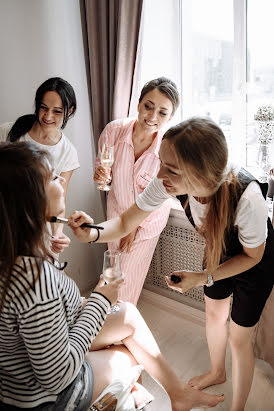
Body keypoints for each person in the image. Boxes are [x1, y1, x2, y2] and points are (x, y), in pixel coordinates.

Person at [0, 141, 224, 411]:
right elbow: (56, 377)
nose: (61, 179)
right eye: (52, 176)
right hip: (43, 397)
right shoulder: (34, 278)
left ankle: (178, 395)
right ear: (29, 200)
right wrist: (99, 299)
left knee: (128, 313)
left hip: (29, 363)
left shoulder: (15, 250)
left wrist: (64, 241)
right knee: (129, 358)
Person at [69, 117, 274, 411]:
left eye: (171, 168)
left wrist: (203, 277)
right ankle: (217, 371)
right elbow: (127, 220)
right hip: (218, 252)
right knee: (214, 315)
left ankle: (237, 407)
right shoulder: (169, 182)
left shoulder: (248, 197)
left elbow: (252, 256)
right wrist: (92, 233)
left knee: (240, 338)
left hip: (255, 262)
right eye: (161, 162)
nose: (159, 172)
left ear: (199, 174)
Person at [93, 77, 179, 304]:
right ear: (138, 104)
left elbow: (159, 196)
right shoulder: (114, 131)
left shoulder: (167, 149)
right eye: (148, 106)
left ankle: (121, 326)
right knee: (114, 268)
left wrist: (133, 225)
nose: (152, 117)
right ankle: (106, 318)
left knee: (126, 280)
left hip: (147, 223)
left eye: (162, 112)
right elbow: (104, 172)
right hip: (116, 212)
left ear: (170, 118)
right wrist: (101, 175)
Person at [0, 77, 80, 254]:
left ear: (70, 111)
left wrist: (57, 234)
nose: (48, 116)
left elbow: (59, 199)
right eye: (44, 108)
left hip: (37, 231)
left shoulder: (68, 152)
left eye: (57, 111)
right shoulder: (8, 132)